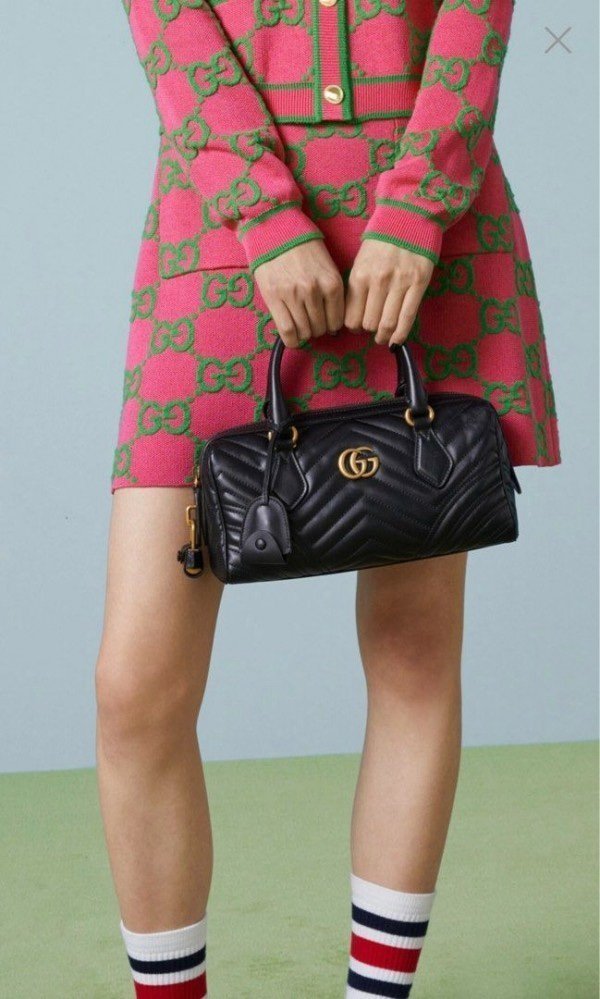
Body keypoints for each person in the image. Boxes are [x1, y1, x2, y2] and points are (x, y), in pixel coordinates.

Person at [96, 1, 561, 995]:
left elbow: (475, 16)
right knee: (136, 689)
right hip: (223, 234)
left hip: (422, 241)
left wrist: (422, 206)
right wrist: (263, 214)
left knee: (413, 648)